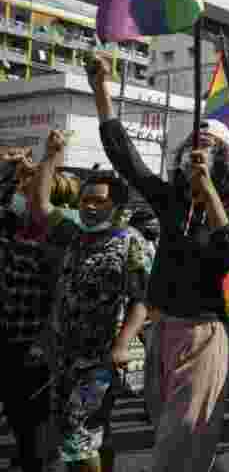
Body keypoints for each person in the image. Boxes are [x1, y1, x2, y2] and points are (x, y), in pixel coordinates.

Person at [87, 54, 229, 472]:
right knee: (172, 434)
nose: (198, 150)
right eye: (194, 144)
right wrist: (101, 92)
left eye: (209, 145)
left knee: (177, 444)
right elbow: (127, 160)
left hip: (206, 334)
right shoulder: (173, 202)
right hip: (162, 332)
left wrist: (210, 193)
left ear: (226, 158)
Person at [32, 131, 154, 472]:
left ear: (117, 205)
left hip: (100, 360)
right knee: (91, 431)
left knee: (76, 432)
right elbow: (41, 206)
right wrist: (51, 156)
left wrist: (122, 345)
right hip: (63, 357)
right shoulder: (74, 232)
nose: (89, 205)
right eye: (85, 199)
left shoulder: (131, 242)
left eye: (99, 200)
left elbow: (142, 299)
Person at [0, 146, 79, 472]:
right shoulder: (18, 227)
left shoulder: (62, 235)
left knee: (35, 417)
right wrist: (14, 170)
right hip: (11, 336)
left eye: (29, 191)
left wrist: (43, 340)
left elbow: (58, 297)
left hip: (36, 343)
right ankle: (27, 455)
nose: (23, 196)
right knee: (18, 412)